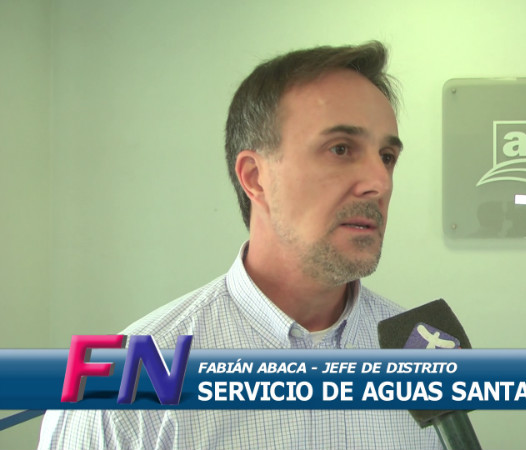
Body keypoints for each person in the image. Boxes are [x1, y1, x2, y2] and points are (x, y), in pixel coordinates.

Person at [38, 41, 442, 450]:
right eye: (340, 149)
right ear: (254, 177)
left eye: (387, 156)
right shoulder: (121, 391)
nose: (379, 183)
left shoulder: (423, 357)